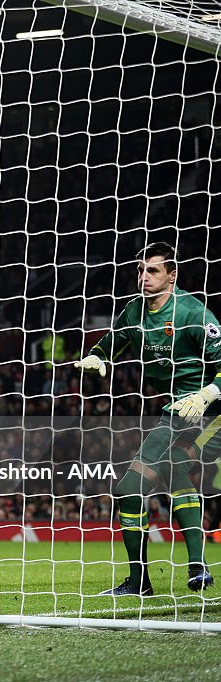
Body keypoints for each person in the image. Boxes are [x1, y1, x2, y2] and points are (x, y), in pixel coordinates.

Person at [75, 242, 219, 595]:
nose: (144, 277)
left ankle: (199, 567)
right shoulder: (134, 312)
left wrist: (208, 393)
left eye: (153, 270)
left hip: (213, 415)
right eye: (140, 270)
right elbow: (111, 341)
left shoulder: (192, 313)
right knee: (128, 490)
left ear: (173, 275)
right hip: (174, 415)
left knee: (176, 466)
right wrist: (97, 357)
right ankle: (139, 582)